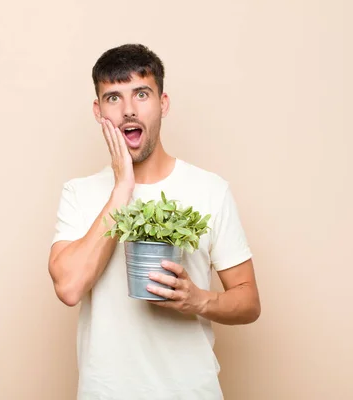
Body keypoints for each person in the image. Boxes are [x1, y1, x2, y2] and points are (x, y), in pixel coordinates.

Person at [48, 43, 261, 400]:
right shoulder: (79, 193)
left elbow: (249, 300)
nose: (129, 111)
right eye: (113, 98)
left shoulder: (210, 190)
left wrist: (199, 300)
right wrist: (122, 189)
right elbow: (69, 288)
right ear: (99, 111)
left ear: (162, 103)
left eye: (141, 94)